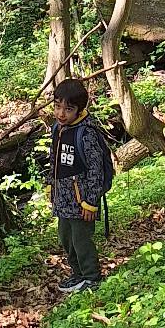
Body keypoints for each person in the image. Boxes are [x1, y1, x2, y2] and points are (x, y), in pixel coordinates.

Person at [50, 77, 109, 294]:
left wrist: (90, 202)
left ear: (80, 109)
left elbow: (96, 170)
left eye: (68, 109)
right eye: (57, 107)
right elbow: (54, 160)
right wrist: (52, 187)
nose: (61, 113)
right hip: (63, 197)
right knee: (66, 238)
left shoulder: (87, 132)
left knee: (81, 240)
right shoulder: (57, 129)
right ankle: (77, 274)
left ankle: (92, 276)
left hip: (82, 201)